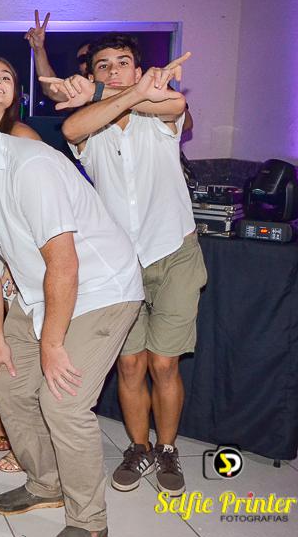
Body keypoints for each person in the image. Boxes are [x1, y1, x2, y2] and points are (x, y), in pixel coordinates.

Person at [0, 88, 143, 537]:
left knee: (63, 402)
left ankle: (88, 522)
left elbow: (65, 263)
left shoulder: (31, 167)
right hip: (38, 291)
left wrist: (52, 345)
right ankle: (46, 484)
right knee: (6, 382)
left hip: (101, 289)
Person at [53, 36, 203, 498]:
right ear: (92, 74)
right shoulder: (91, 124)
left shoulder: (158, 112)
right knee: (131, 364)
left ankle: (168, 448)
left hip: (173, 250)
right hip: (120, 262)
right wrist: (107, 98)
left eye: (123, 63)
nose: (114, 70)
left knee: (164, 363)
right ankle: (139, 447)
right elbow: (70, 130)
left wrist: (124, 94)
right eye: (103, 66)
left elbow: (178, 106)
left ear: (138, 72)